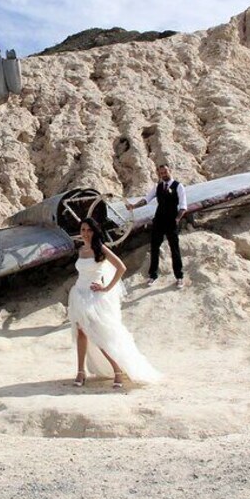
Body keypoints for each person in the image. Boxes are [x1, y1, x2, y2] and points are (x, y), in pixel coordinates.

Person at [68, 218, 162, 388]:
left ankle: (117, 369)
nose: (85, 233)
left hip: (93, 296)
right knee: (80, 332)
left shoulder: (100, 248)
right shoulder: (80, 249)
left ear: (95, 231)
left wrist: (106, 288)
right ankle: (80, 372)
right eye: (83, 230)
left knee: (98, 334)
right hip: (78, 294)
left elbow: (121, 267)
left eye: (89, 230)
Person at [126, 164, 187, 288]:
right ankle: (152, 275)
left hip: (171, 221)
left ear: (170, 171)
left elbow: (183, 206)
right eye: (161, 173)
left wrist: (177, 219)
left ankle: (179, 277)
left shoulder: (178, 186)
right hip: (158, 220)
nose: (163, 174)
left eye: (165, 172)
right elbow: (146, 200)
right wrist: (134, 206)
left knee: (174, 249)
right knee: (154, 248)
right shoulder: (158, 187)